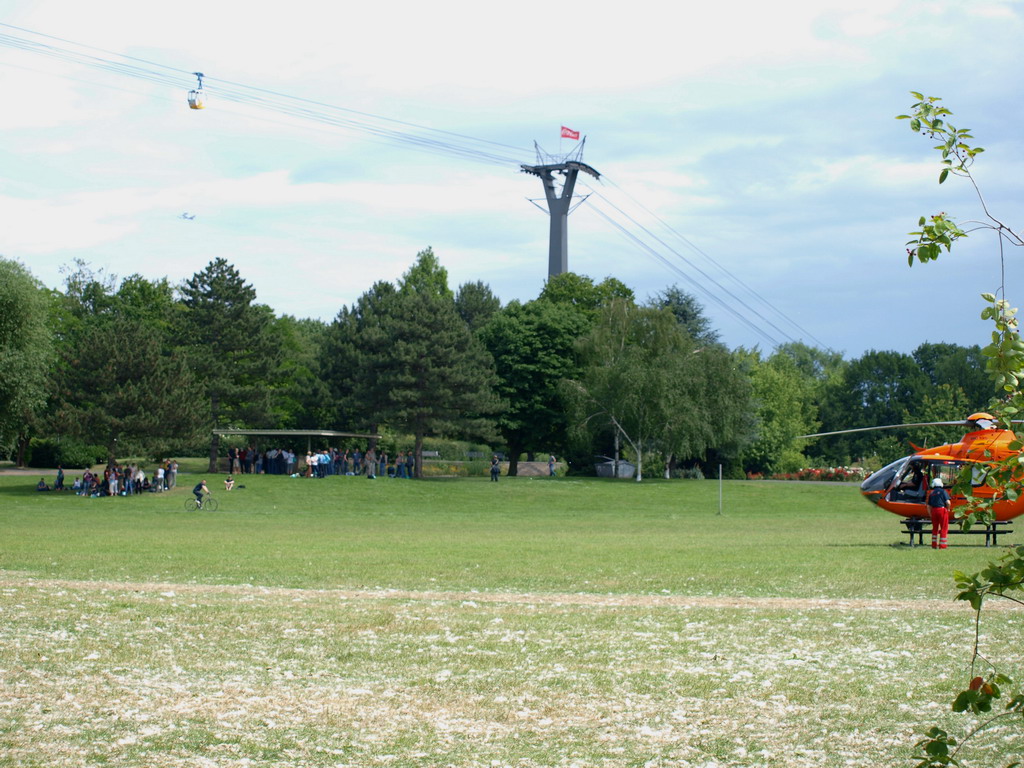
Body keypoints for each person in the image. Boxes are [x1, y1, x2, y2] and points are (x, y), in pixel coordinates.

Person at [927, 477, 951, 550]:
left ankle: (934, 544)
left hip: (934, 511)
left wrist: (930, 514)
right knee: (944, 528)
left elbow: (928, 506)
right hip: (942, 510)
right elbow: (948, 502)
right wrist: (948, 509)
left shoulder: (931, 493)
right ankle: (942, 546)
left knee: (935, 528)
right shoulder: (944, 492)